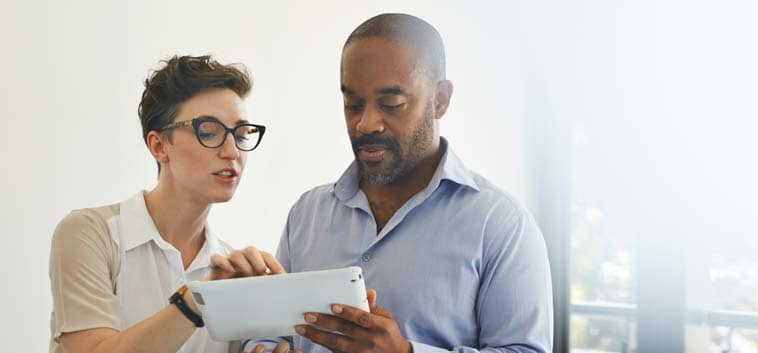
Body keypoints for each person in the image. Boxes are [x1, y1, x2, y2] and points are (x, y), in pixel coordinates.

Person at [248, 13, 553, 353]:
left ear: (440, 100)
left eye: (391, 104)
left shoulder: (501, 225)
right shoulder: (306, 215)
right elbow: (273, 332)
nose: (366, 124)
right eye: (352, 105)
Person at [49, 55, 285, 353]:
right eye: (209, 132)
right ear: (159, 146)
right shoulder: (90, 234)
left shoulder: (231, 271)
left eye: (240, 134)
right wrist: (198, 300)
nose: (232, 151)